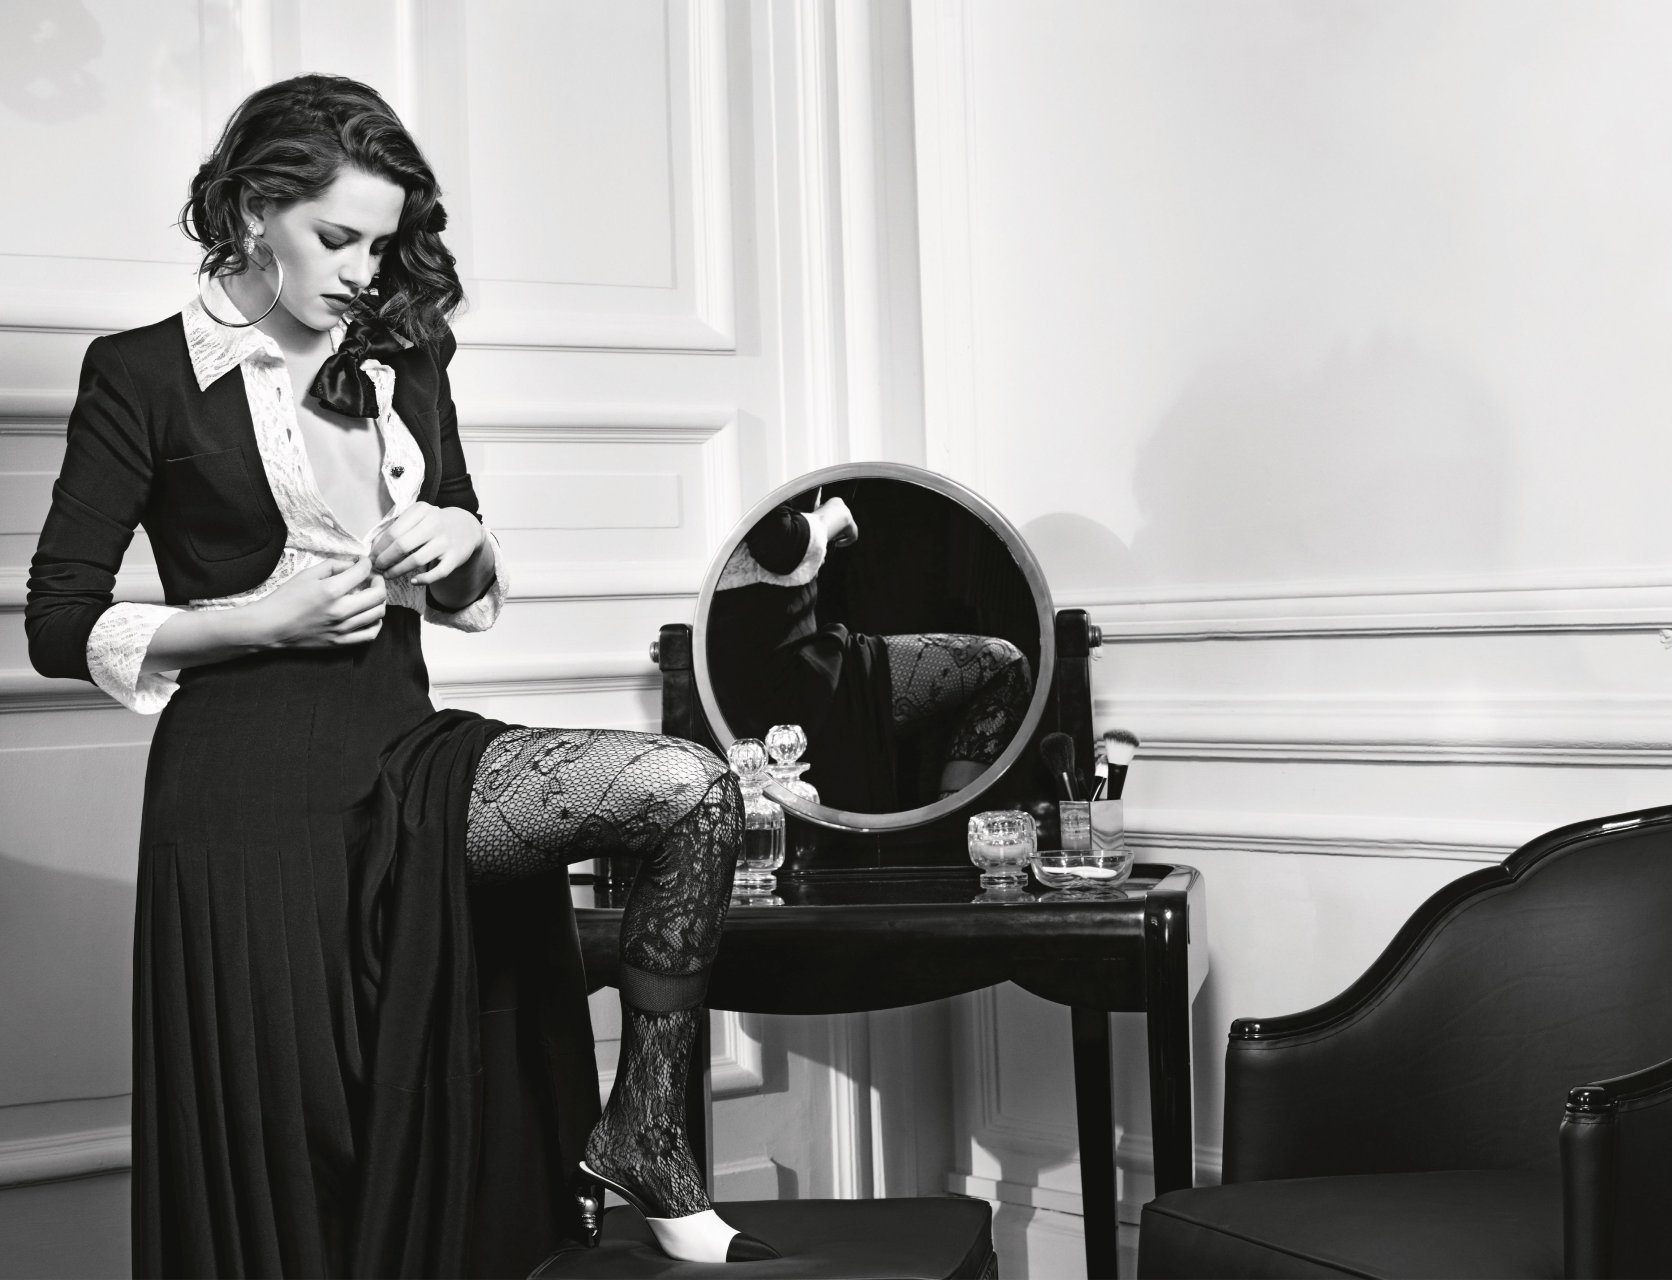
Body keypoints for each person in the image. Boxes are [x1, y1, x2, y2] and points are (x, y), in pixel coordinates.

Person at [24, 74, 774, 1276]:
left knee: (686, 787)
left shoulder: (404, 355)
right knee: (303, 1153)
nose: (363, 269)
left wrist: (463, 539)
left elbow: (463, 567)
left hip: (402, 756)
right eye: (337, 237)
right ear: (253, 209)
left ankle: (643, 1132)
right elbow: (59, 622)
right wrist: (255, 620)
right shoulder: (143, 373)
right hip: (242, 801)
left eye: (381, 242)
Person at [707, 495, 1032, 811]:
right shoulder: (760, 467)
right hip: (780, 673)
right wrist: (836, 513)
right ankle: (958, 831)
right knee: (1001, 664)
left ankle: (954, 830)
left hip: (782, 657)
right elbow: (779, 545)